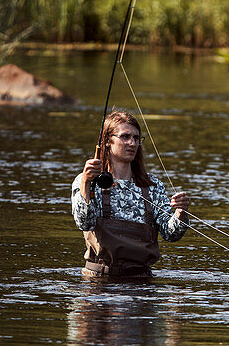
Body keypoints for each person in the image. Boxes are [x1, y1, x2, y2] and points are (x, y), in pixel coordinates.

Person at [72, 110, 190, 278]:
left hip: (141, 281)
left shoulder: (153, 185)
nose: (132, 143)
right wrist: (86, 183)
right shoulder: (86, 181)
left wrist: (180, 212)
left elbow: (171, 234)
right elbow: (84, 223)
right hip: (99, 285)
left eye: (136, 138)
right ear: (107, 141)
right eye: (125, 137)